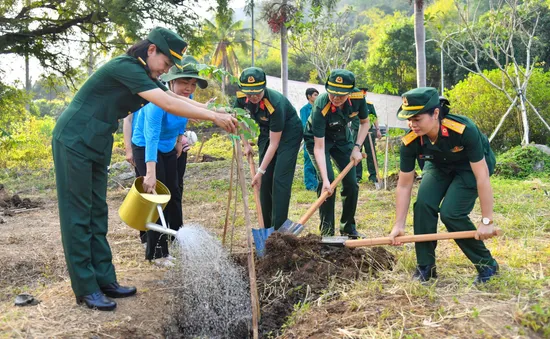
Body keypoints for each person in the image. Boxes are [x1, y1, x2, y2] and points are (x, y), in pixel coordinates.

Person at [52, 27, 237, 311]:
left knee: (97, 211)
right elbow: (166, 102)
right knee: (78, 213)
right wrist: (212, 115)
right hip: (74, 138)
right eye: (165, 63)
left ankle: (105, 279)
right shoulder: (126, 67)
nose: (166, 71)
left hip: (98, 138)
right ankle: (86, 287)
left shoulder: (147, 75)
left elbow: (176, 100)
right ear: (151, 50)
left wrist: (217, 113)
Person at [388, 87, 499, 284]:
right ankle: (426, 267)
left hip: (469, 167)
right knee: (423, 204)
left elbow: (482, 177)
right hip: (439, 164)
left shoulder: (464, 130)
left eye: (417, 119)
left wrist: (486, 221)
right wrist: (399, 224)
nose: (412, 125)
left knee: (451, 213)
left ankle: (486, 264)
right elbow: (404, 185)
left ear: (436, 113)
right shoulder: (410, 141)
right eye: (409, 119)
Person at [130, 56, 209, 267]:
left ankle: (174, 239)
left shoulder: (187, 97)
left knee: (174, 192)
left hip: (167, 145)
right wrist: (150, 171)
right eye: (184, 82)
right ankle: (156, 252)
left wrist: (177, 140)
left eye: (192, 84)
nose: (188, 88)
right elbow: (151, 136)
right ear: (171, 81)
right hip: (146, 145)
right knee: (158, 197)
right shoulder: (156, 102)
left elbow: (182, 120)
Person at [303, 69, 370, 238]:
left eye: (341, 95)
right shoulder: (321, 104)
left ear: (350, 91)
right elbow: (319, 147)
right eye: (332, 93)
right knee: (328, 184)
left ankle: (348, 228)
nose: (335, 98)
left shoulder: (358, 98)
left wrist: (356, 148)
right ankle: (327, 232)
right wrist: (325, 180)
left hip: (341, 138)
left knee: (351, 184)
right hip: (317, 140)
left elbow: (365, 123)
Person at [235, 67, 302, 230]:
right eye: (249, 93)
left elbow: (275, 143)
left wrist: (260, 171)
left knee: (279, 179)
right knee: (264, 183)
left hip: (289, 132)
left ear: (264, 87)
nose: (253, 97)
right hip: (267, 130)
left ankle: (279, 230)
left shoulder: (275, 103)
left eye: (257, 92)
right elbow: (239, 121)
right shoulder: (240, 99)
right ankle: (267, 227)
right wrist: (245, 144)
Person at [350, 86, 382, 183]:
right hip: (356, 131)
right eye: (361, 92)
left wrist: (378, 129)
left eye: (364, 93)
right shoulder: (352, 104)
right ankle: (357, 176)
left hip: (369, 132)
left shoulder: (369, 105)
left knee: (371, 153)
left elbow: (374, 117)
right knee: (356, 152)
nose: (363, 94)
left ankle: (372, 176)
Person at [299, 88, 319, 191]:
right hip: (309, 139)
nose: (317, 97)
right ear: (309, 96)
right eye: (315, 95)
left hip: (319, 139)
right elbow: (304, 124)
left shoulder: (319, 108)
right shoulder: (304, 109)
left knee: (319, 161)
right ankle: (310, 185)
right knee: (309, 162)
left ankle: (318, 183)